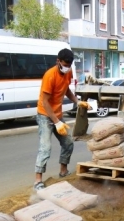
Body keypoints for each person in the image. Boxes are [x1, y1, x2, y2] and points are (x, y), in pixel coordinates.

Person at [34, 48, 89, 190]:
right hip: (44, 115)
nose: (67, 67)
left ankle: (63, 171)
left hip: (57, 114)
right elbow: (45, 102)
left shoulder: (68, 71)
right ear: (58, 61)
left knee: (68, 143)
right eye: (65, 64)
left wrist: (77, 102)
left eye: (69, 64)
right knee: (45, 147)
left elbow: (66, 90)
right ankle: (37, 181)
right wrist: (56, 122)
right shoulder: (50, 76)